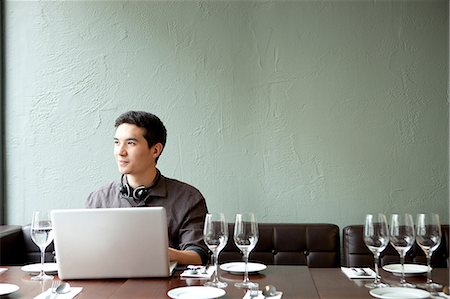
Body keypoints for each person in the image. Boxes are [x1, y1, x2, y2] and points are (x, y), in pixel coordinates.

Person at [86, 111, 208, 265]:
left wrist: (161, 253)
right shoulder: (98, 199)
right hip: (111, 285)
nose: (120, 152)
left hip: (169, 286)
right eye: (117, 142)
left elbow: (198, 255)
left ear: (155, 150)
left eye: (130, 143)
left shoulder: (188, 198)